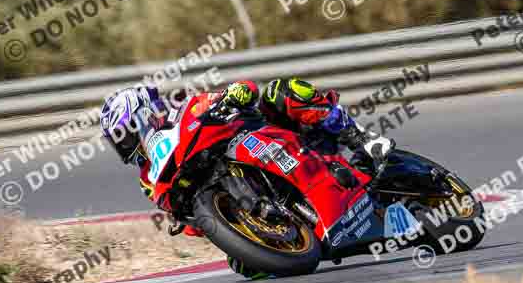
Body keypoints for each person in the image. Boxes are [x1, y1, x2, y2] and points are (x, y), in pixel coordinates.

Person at [99, 78, 393, 251]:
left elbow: (242, 91)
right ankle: (289, 231)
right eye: (118, 142)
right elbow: (186, 218)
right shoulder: (147, 178)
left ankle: (360, 138)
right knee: (247, 268)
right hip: (236, 196)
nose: (124, 145)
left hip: (268, 136)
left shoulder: (183, 108)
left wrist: (234, 94)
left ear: (143, 116)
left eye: (123, 135)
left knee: (283, 90)